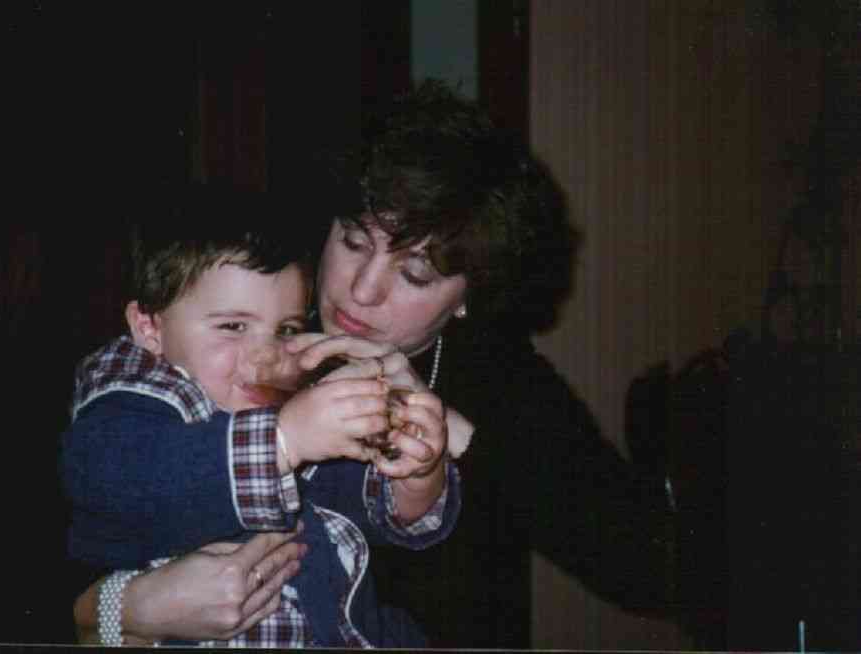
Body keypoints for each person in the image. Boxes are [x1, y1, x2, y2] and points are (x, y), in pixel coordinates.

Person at [71, 80, 677, 648]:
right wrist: (127, 606)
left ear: (468, 295)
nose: (362, 290)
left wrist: (446, 439)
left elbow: (653, 572)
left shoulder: (505, 384)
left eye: (415, 274)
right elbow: (62, 545)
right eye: (354, 241)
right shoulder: (239, 316)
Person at [59, 186, 460, 647]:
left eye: (285, 330)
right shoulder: (130, 392)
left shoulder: (284, 397)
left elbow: (352, 492)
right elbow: (120, 480)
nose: (264, 354)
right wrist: (284, 441)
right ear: (149, 327)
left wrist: (415, 475)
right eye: (233, 326)